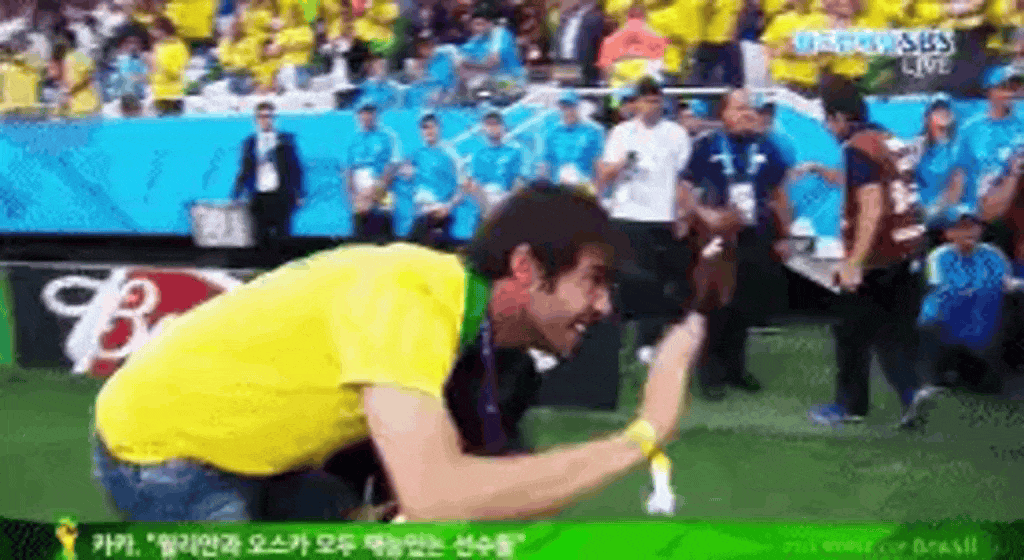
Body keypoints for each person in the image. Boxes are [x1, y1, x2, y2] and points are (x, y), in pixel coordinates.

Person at [90, 185, 718, 521]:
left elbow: (500, 500)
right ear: (526, 268)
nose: (604, 306)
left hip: (255, 454)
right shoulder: (410, 299)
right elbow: (440, 499)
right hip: (165, 457)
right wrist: (644, 434)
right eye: (594, 280)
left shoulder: (469, 325)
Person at [807, 78, 937, 429]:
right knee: (893, 331)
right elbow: (876, 184)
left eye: (827, 120)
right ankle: (912, 391)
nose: (827, 128)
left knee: (851, 331)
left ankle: (850, 406)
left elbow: (872, 205)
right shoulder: (888, 140)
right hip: (910, 248)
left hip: (881, 254)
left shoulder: (857, 147)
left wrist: (855, 262)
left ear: (838, 117)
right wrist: (825, 173)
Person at [679, 88, 792, 401]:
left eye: (750, 108)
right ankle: (710, 373)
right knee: (715, 303)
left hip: (754, 235)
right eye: (740, 108)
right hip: (715, 236)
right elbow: (684, 187)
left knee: (744, 303)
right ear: (723, 114)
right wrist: (703, 214)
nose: (747, 114)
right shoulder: (706, 146)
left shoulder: (767, 146)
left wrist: (785, 235)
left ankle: (735, 368)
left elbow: (779, 193)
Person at [596, 76, 692, 366]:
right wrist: (622, 163)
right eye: (647, 100)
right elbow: (604, 176)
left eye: (656, 100)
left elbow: (683, 178)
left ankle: (647, 341)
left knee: (657, 281)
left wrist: (682, 213)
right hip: (626, 214)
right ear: (635, 103)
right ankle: (614, 339)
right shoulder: (621, 133)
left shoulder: (676, 134)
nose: (652, 106)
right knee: (622, 279)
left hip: (661, 216)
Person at [917, 210, 1015, 398]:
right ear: (948, 233)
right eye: (961, 228)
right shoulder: (940, 256)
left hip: (984, 318)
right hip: (946, 317)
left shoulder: (993, 254)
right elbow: (946, 289)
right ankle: (937, 375)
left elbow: (1007, 284)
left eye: (973, 227)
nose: (969, 232)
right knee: (938, 321)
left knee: (986, 385)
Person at [232, 102, 306, 264]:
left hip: (280, 193)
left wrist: (300, 193)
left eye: (269, 116)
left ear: (274, 118)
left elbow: (295, 167)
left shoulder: (285, 140)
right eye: (262, 117)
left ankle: (281, 269)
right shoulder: (249, 142)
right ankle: (263, 268)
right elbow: (245, 169)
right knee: (260, 235)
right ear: (256, 120)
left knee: (282, 235)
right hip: (258, 194)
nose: (266, 120)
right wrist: (236, 193)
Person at [452, 110, 530, 243]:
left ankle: (492, 218)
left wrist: (507, 199)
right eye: (489, 124)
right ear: (484, 128)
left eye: (496, 124)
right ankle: (490, 217)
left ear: (503, 127)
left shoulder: (515, 152)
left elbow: (520, 181)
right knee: (473, 186)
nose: (492, 128)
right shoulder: (478, 154)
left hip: (504, 197)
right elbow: (471, 182)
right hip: (483, 197)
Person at [391, 112, 464, 248]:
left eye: (432, 127)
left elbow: (463, 187)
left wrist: (448, 206)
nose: (429, 131)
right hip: (420, 213)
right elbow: (403, 177)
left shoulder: (451, 154)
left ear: (439, 128)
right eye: (425, 128)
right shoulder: (417, 154)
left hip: (441, 214)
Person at [342, 100, 402, 243]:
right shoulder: (353, 139)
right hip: (360, 196)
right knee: (360, 239)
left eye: (370, 113)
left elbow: (392, 167)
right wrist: (354, 198)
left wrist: (375, 194)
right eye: (363, 113)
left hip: (381, 192)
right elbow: (348, 171)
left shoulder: (388, 137)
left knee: (383, 238)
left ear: (376, 115)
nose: (367, 116)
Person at [538, 90, 605, 194]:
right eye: (564, 108)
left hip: (583, 189)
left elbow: (598, 163)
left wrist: (598, 192)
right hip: (558, 189)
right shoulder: (552, 132)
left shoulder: (594, 130)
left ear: (578, 107)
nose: (567, 111)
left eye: (571, 107)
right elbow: (545, 164)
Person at [148, 16, 190, 117]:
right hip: (158, 94)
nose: (152, 33)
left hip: (173, 94)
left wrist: (158, 62)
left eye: (154, 29)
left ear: (162, 30)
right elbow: (154, 71)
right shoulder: (158, 46)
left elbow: (175, 72)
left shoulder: (178, 46)